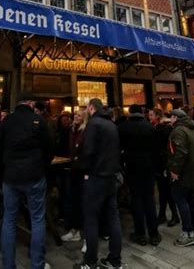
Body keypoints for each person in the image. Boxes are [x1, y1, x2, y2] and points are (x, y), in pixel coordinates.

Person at [0, 92, 53, 269]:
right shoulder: (38, 121)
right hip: (34, 176)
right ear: (31, 103)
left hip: (11, 177)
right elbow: (49, 148)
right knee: (37, 219)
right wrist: (42, 165)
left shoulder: (7, 121)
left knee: (9, 219)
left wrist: (6, 166)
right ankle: (37, 264)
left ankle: (8, 265)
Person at [75, 98, 122, 269]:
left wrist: (85, 171)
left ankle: (90, 262)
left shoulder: (93, 124)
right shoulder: (111, 125)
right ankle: (115, 260)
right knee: (113, 219)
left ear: (91, 108)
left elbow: (88, 151)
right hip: (111, 177)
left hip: (95, 178)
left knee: (91, 220)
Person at [118, 104, 161, 247]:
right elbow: (156, 148)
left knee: (136, 199)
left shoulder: (124, 127)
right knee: (149, 199)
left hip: (132, 167)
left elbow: (120, 148)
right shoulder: (149, 127)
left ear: (130, 113)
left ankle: (140, 233)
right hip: (148, 167)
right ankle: (154, 233)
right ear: (142, 112)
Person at [167, 109, 194, 247]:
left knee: (181, 200)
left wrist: (175, 170)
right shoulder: (189, 129)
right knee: (192, 200)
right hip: (193, 171)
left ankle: (188, 232)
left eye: (171, 117)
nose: (170, 119)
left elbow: (180, 152)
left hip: (184, 173)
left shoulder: (178, 131)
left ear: (176, 117)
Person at [149, 108, 179, 227]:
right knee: (163, 190)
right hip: (159, 163)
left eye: (151, 115)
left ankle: (173, 215)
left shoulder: (162, 128)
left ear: (157, 116)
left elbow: (162, 147)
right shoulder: (156, 127)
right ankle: (163, 214)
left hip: (163, 163)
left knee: (166, 190)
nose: (149, 117)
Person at [61, 109, 88, 243]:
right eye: (75, 115)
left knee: (83, 203)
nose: (76, 117)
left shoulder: (85, 131)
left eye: (79, 115)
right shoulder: (72, 130)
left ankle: (85, 237)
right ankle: (75, 230)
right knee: (74, 201)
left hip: (82, 170)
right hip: (73, 169)